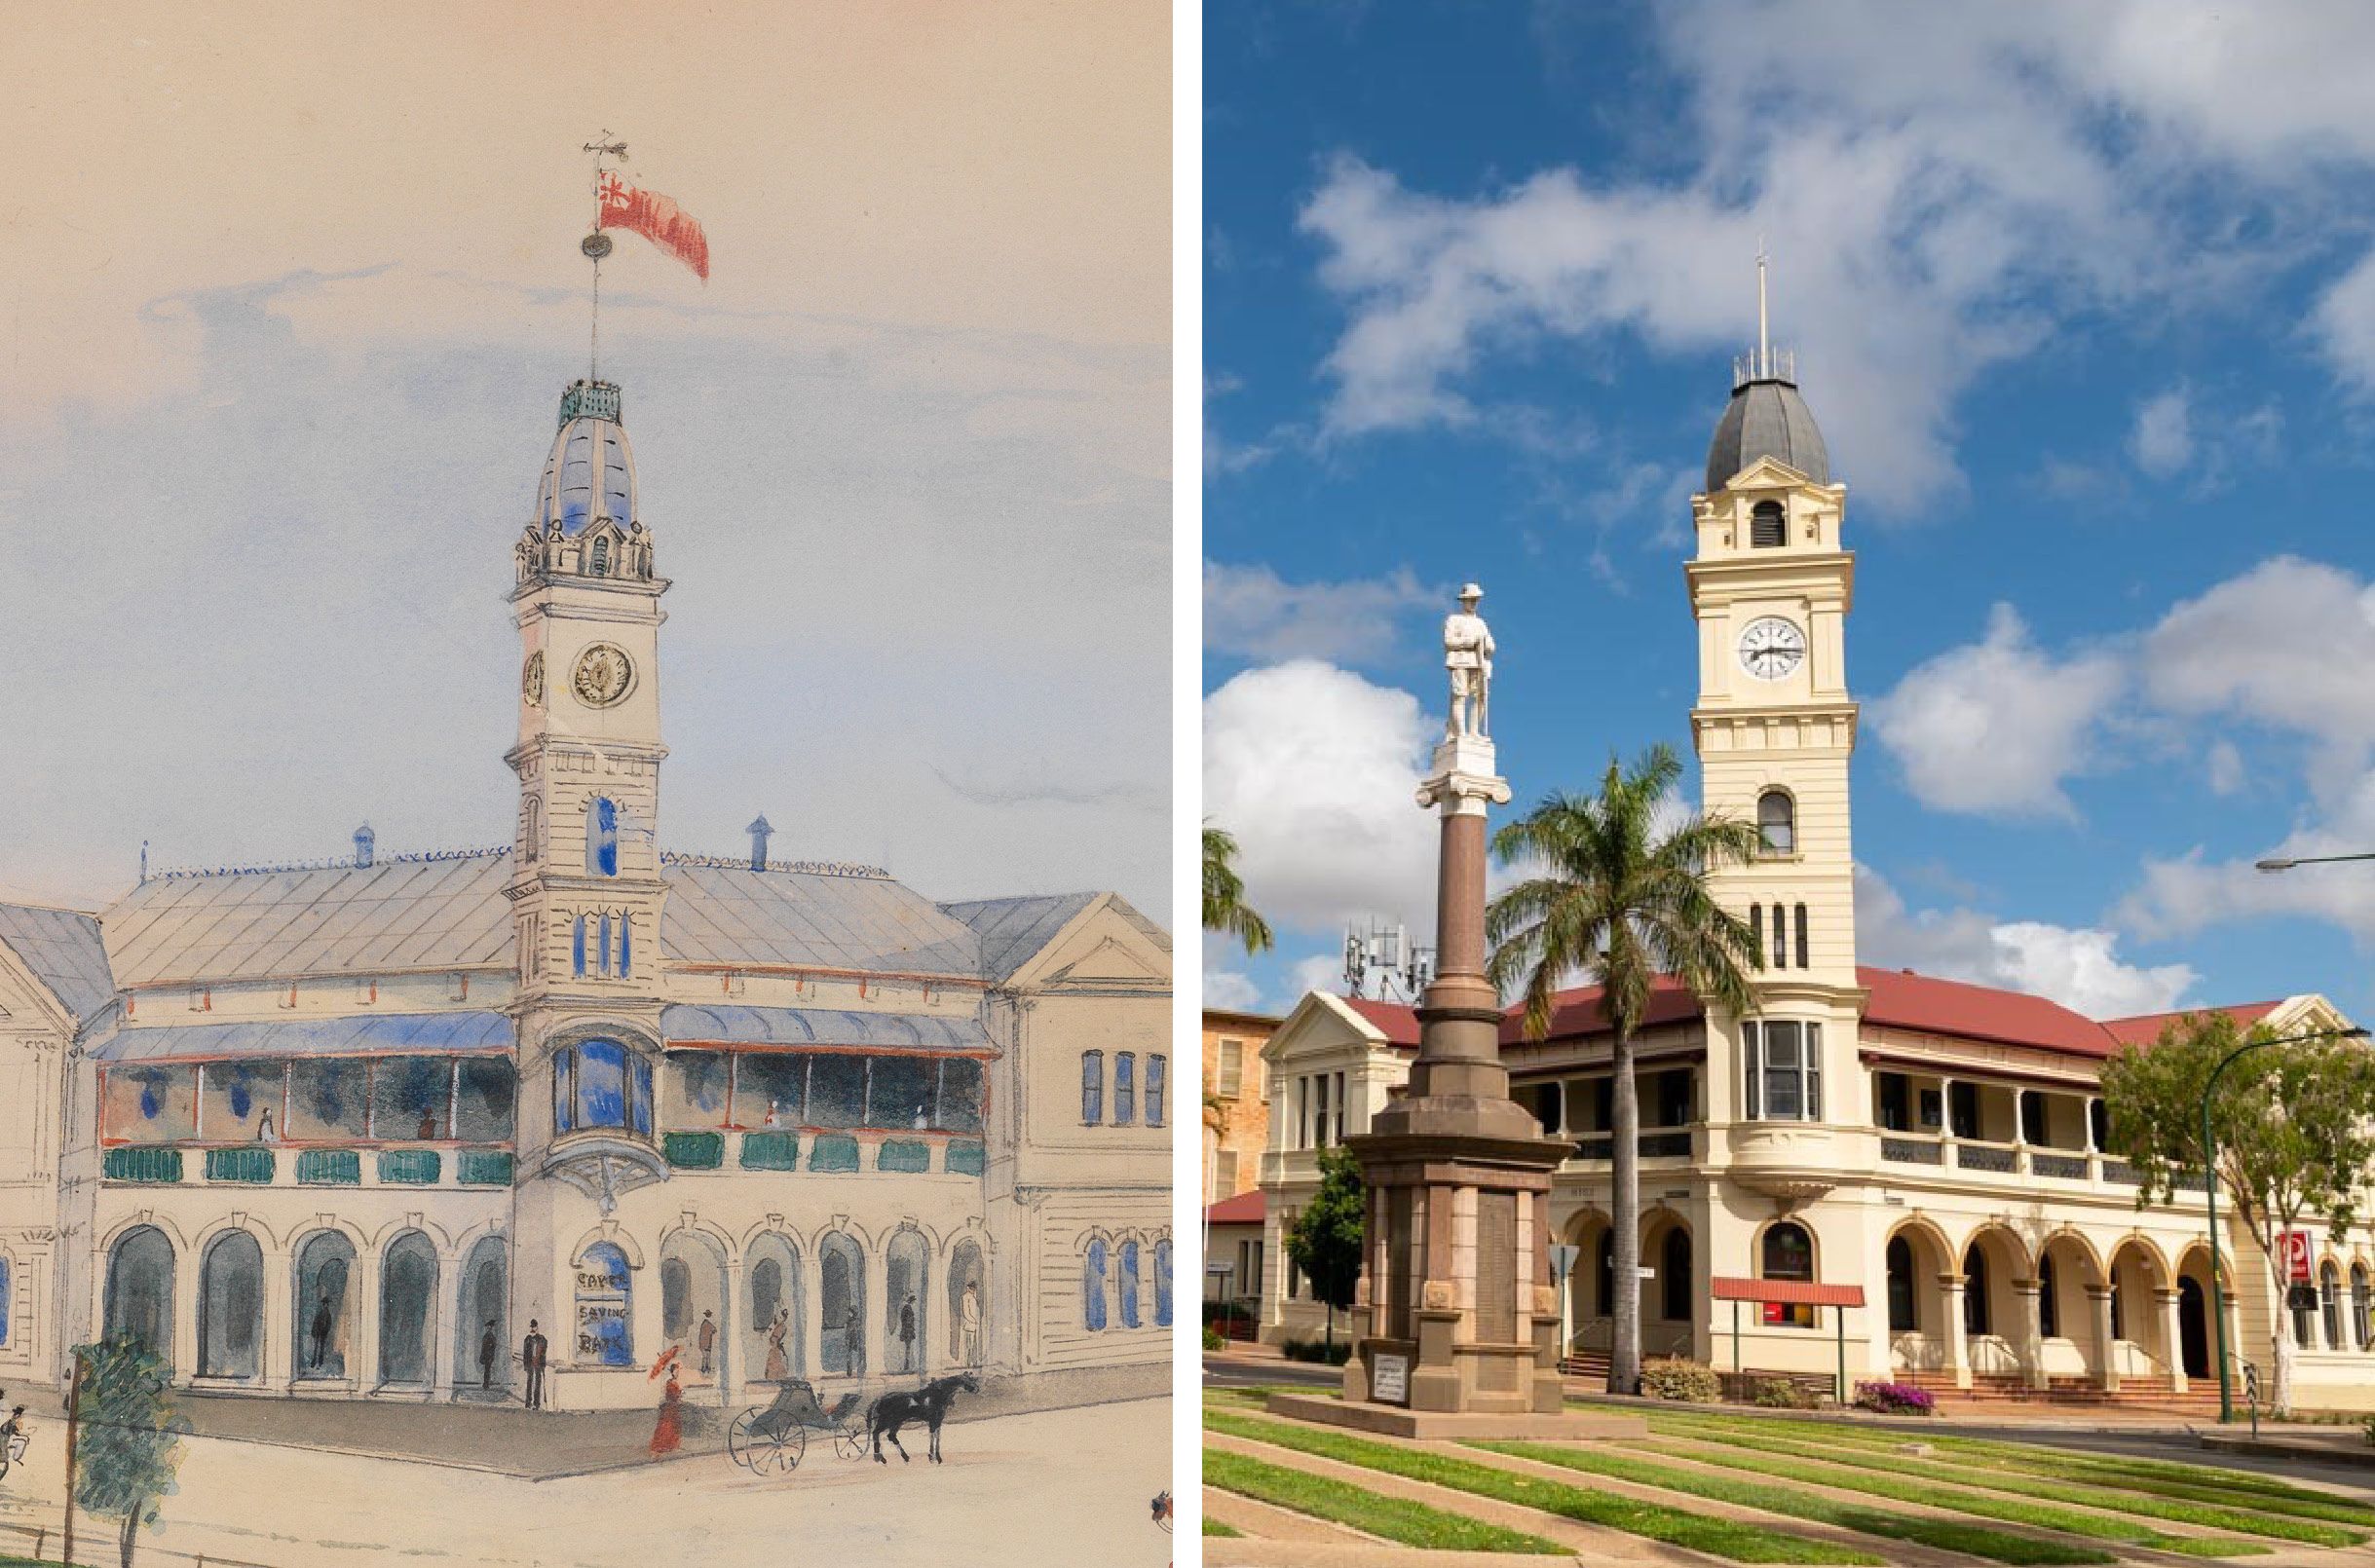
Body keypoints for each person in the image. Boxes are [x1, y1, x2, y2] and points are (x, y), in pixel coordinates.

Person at [649, 1363, 683, 1456]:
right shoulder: (670, 1382)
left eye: (678, 1371)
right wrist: (678, 1395)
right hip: (670, 1407)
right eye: (676, 1371)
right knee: (667, 1425)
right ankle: (660, 1446)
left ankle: (673, 1446)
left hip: (674, 1407)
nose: (677, 1373)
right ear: (672, 1372)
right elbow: (672, 1394)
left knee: (675, 1426)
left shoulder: (674, 1382)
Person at [522, 1320, 548, 1410]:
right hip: (530, 1364)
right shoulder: (527, 1339)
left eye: (534, 1327)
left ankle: (536, 1403)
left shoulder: (542, 1339)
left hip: (538, 1364)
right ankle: (528, 1403)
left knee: (537, 1384)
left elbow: (544, 1351)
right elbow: (525, 1353)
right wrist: (525, 1365)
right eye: (531, 1327)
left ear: (537, 1328)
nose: (532, 1329)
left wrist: (543, 1364)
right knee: (529, 1383)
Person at [310, 1292, 334, 1369]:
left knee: (321, 1348)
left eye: (326, 1304)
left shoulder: (328, 1314)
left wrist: (326, 1330)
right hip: (318, 1332)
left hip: (323, 1333)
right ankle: (314, 1362)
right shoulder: (320, 1313)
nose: (325, 1305)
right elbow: (315, 1321)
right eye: (324, 1304)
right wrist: (314, 1330)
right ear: (323, 1304)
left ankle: (320, 1362)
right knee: (316, 1347)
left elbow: (329, 1324)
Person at [961, 1280, 982, 1366]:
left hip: (975, 1325)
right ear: (968, 1288)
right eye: (972, 1289)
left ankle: (973, 1362)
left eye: (974, 1289)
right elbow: (966, 1312)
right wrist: (974, 1320)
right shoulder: (965, 1297)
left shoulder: (973, 1297)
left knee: (974, 1344)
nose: (973, 1290)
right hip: (969, 1324)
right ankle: (967, 1363)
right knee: (969, 1345)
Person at [764, 1309, 790, 1380]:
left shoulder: (781, 1326)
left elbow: (774, 1338)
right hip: (775, 1350)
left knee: (775, 1368)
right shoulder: (777, 1325)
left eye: (778, 1316)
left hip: (776, 1351)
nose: (776, 1317)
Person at [898, 1292, 918, 1373]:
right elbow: (907, 1321)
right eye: (913, 1301)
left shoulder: (906, 1307)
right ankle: (906, 1365)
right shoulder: (907, 1308)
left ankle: (907, 1365)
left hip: (907, 1330)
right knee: (907, 1348)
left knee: (908, 1348)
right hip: (908, 1331)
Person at [478, 1320, 499, 1390]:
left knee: (487, 1370)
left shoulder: (489, 1335)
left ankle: (486, 1384)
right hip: (488, 1355)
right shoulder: (489, 1335)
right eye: (488, 1327)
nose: (488, 1328)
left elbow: (492, 1345)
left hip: (488, 1355)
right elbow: (485, 1346)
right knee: (487, 1370)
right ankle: (486, 1384)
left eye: (489, 1327)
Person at [697, 1309, 717, 1376]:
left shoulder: (707, 1323)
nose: (709, 1315)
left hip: (707, 1343)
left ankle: (706, 1368)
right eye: (708, 1314)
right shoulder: (706, 1323)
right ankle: (705, 1368)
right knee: (706, 1356)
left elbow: (714, 1330)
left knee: (707, 1356)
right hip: (705, 1343)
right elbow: (714, 1330)